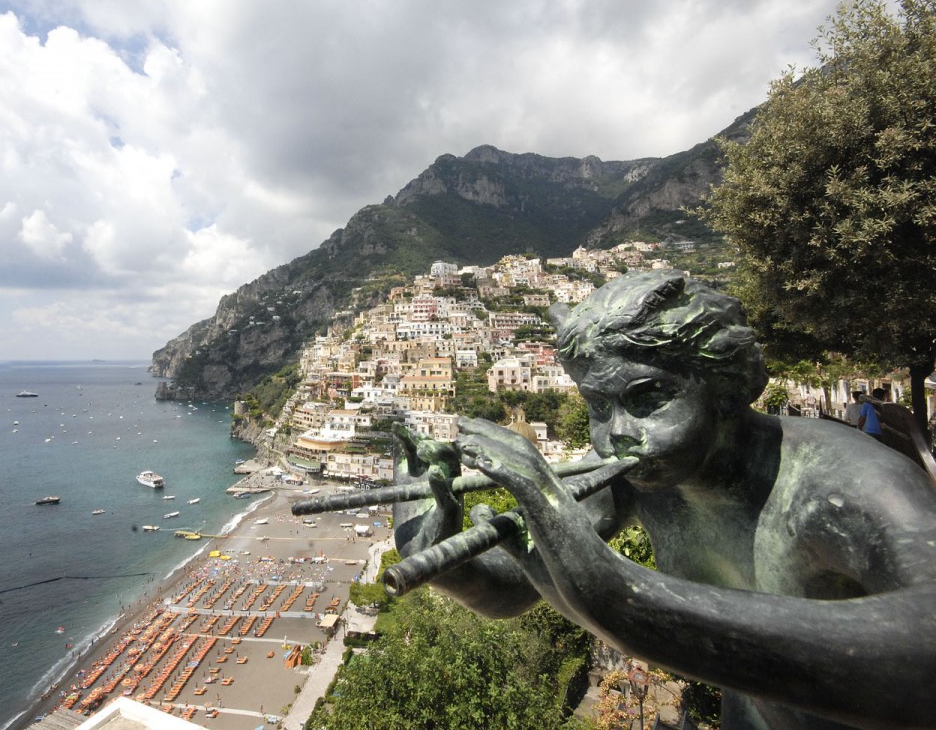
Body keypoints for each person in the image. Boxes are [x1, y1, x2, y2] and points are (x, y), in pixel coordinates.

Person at [394, 269, 936, 730]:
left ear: (726, 386)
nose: (615, 437)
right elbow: (511, 591)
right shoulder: (643, 473)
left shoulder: (845, 481)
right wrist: (435, 548)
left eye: (647, 396)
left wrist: (592, 566)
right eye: (598, 406)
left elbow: (923, 651)